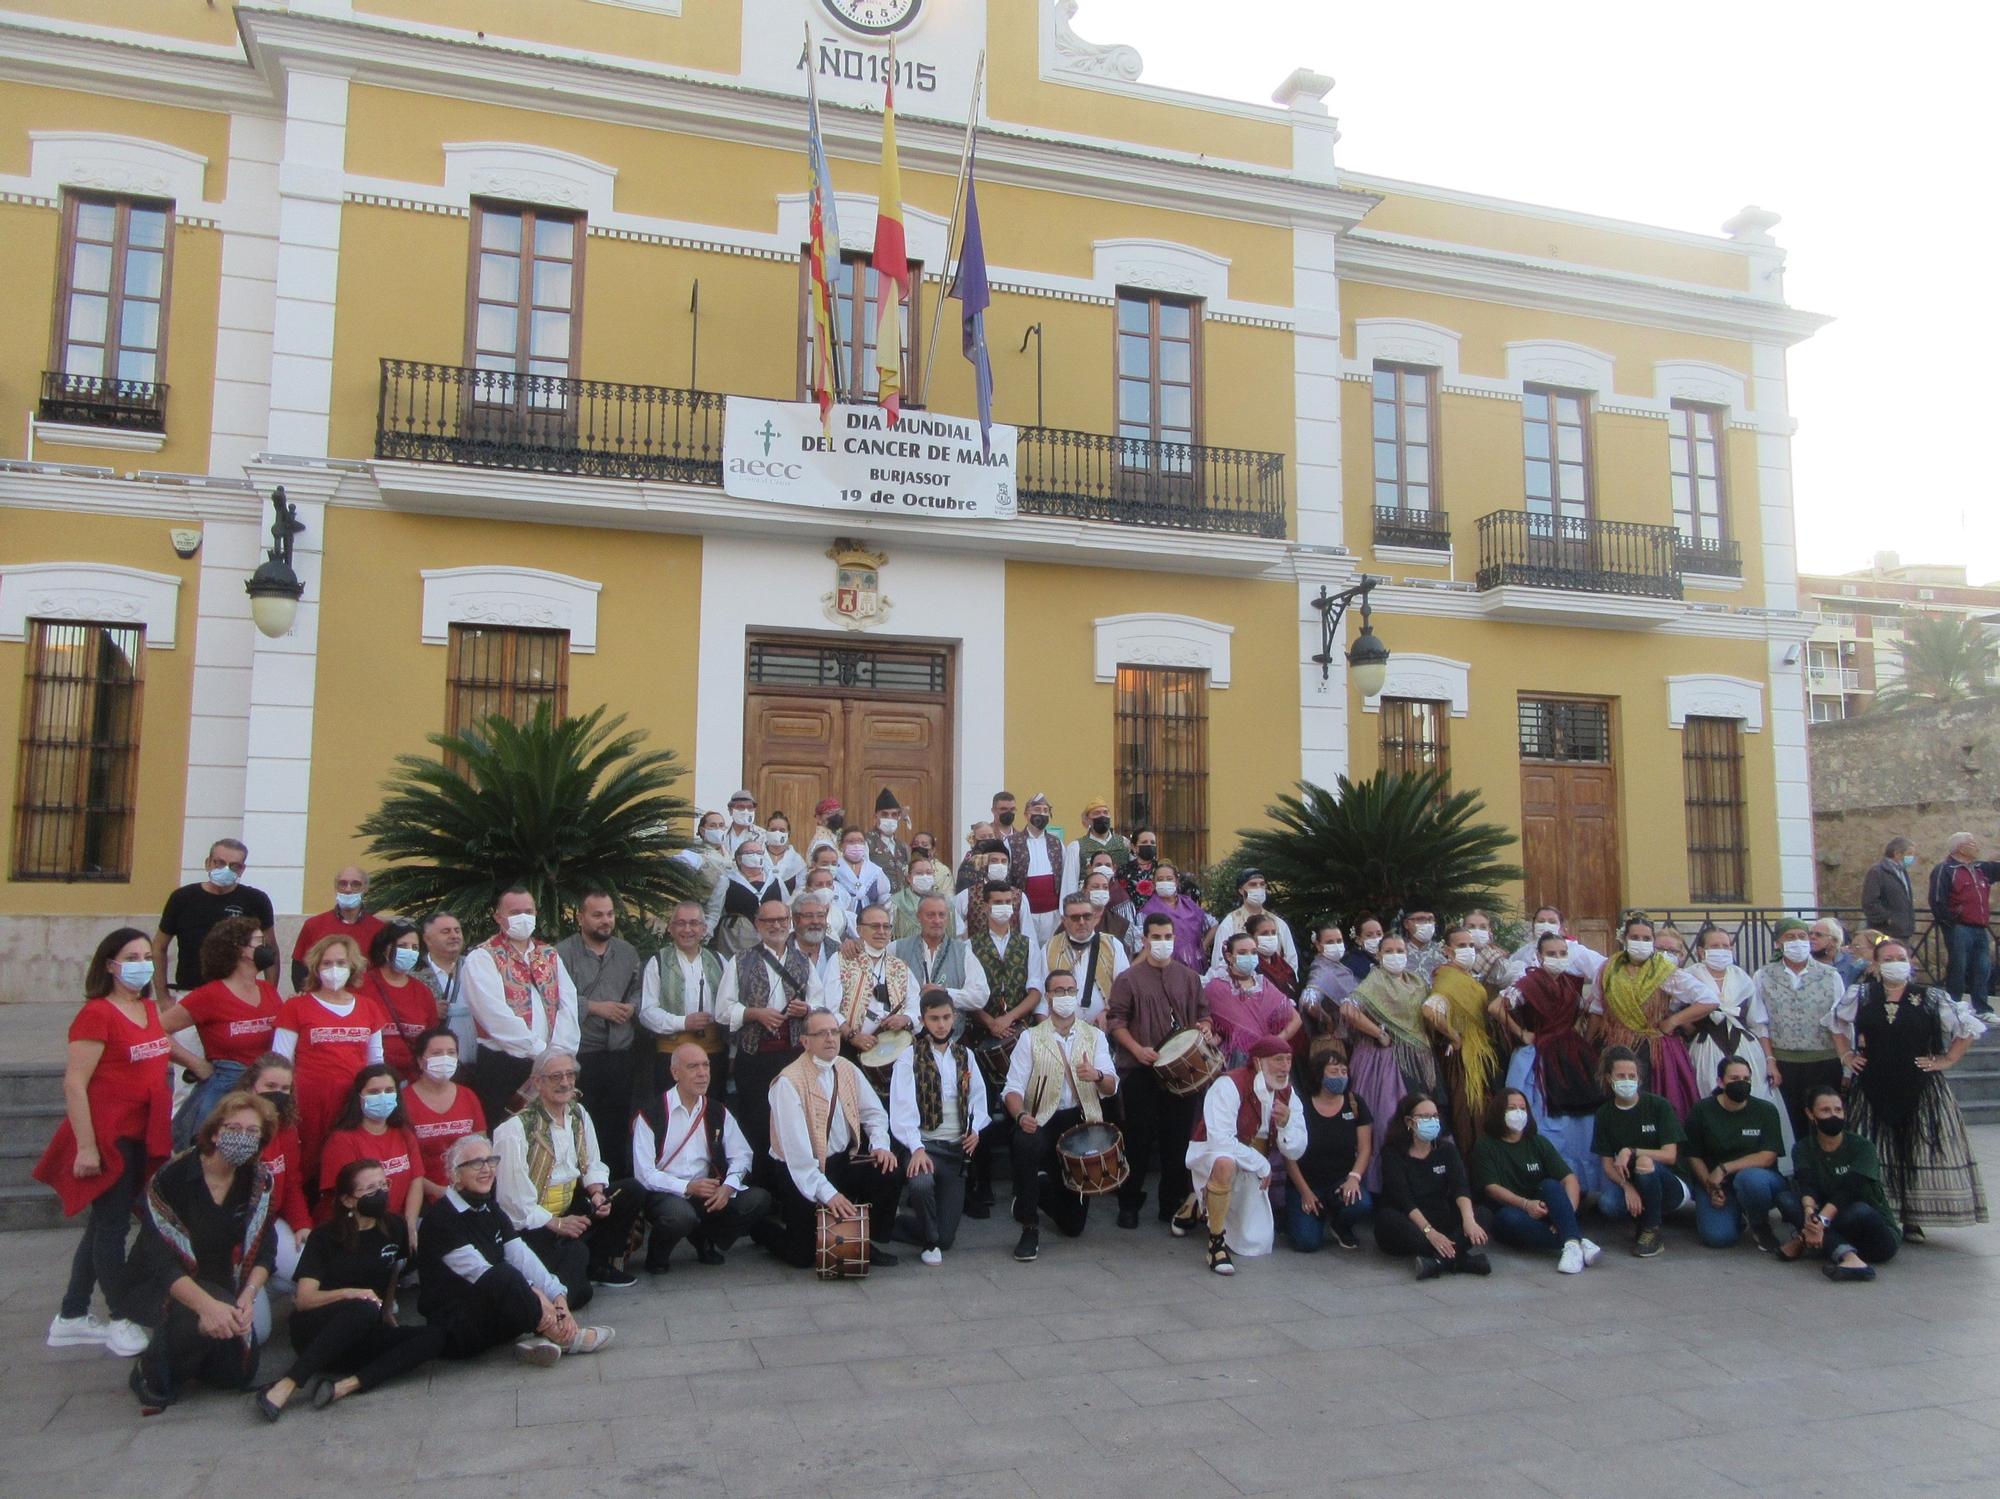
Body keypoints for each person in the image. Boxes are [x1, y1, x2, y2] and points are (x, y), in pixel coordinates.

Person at [37, 929, 184, 1355]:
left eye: (146, 955)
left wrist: (195, 1063)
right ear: (109, 965)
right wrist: (86, 1147)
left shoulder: (145, 1009)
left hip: (144, 1132)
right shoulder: (97, 1014)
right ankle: (122, 1315)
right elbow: (74, 1084)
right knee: (113, 1227)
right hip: (109, 1136)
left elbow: (159, 1048)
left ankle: (71, 1314)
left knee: (104, 1224)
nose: (142, 963)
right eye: (131, 956)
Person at [124, 1093, 279, 1414]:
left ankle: (198, 1350)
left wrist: (248, 1297)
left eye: (252, 1132)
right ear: (214, 1132)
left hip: (225, 1282)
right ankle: (150, 1372)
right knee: (208, 1318)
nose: (242, 1137)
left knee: (238, 1375)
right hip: (165, 1283)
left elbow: (265, 1250)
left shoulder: (258, 1181)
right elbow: (158, 1258)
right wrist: (207, 1307)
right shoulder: (174, 1177)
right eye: (233, 1127)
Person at [254, 1158, 445, 1419]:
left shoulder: (395, 1227)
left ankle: (345, 1386)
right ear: (347, 1200)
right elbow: (304, 1300)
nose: (380, 1194)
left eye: (383, 1184)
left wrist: (387, 1310)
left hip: (361, 1333)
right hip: (317, 1331)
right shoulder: (325, 1237)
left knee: (434, 1336)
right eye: (370, 1190)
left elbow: (393, 1272)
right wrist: (351, 1293)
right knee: (364, 1308)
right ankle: (287, 1383)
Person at [1829, 938, 1989, 1235]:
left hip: (1920, 1084)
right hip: (1873, 1083)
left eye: (1900, 957)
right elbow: (1836, 1024)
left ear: (1910, 962)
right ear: (1876, 965)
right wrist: (1846, 1055)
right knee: (1877, 1149)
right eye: (1888, 958)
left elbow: (1968, 1027)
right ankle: (1883, 1212)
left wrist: (1948, 1059)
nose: (1895, 962)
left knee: (1917, 1148)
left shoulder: (1930, 997)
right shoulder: (1862, 995)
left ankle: (1913, 1216)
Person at [417, 1135, 610, 1365]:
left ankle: (541, 1334)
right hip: (459, 1325)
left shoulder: (489, 1206)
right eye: (476, 1164)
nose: (486, 1170)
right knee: (503, 1274)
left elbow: (521, 1255)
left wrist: (558, 1299)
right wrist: (539, 1297)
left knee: (575, 1257)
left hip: (498, 1315)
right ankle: (563, 1336)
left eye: (491, 1161)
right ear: (456, 1175)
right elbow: (480, 1273)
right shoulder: (441, 1219)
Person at [493, 1049, 643, 1302]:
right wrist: (557, 1223)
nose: (565, 1083)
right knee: (577, 1292)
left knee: (630, 1191)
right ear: (537, 1082)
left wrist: (596, 1193)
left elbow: (592, 1162)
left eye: (569, 1075)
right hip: (534, 1223)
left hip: (570, 1207)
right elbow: (512, 1201)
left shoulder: (578, 1114)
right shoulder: (515, 1129)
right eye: (555, 1077)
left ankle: (598, 1264)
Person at [766, 1010, 904, 1268]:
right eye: (821, 1033)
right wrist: (830, 1195)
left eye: (833, 1032)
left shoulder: (846, 1067)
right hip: (798, 1171)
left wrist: (881, 1146)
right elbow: (798, 1157)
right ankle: (762, 1230)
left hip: (840, 1161)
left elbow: (874, 1113)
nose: (830, 1038)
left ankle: (863, 1240)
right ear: (805, 1041)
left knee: (889, 1169)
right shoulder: (787, 1082)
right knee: (804, 1257)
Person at [1003, 970, 1119, 1262]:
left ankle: (1038, 1192)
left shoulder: (1094, 1036)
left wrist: (1096, 1075)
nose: (1065, 996)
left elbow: (1111, 1085)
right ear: (1048, 997)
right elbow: (1012, 1089)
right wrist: (1020, 1116)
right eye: (1058, 991)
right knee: (1025, 1143)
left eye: (1070, 990)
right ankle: (1029, 1227)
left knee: (1073, 1227)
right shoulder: (1030, 1038)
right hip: (1041, 1118)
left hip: (1080, 1120)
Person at [1106, 911, 1212, 1232]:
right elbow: (1116, 1022)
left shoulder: (1189, 977)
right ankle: (1129, 1203)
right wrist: (1137, 1049)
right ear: (1145, 940)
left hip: (1181, 1071)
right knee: (1137, 1138)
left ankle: (1172, 1203)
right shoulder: (1128, 979)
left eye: (1168, 937)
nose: (1163, 943)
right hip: (1141, 1069)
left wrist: (1205, 1028)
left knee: (1177, 1138)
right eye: (1157, 937)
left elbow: (1204, 1014)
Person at [632, 1043, 773, 1271]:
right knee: (679, 1216)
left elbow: (743, 1155)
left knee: (758, 1199)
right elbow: (644, 1174)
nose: (702, 1073)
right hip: (665, 1193)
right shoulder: (650, 1114)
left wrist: (727, 1187)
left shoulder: (717, 1110)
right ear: (675, 1073)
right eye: (693, 1067)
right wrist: (687, 1187)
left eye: (706, 1065)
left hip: (707, 1191)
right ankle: (657, 1253)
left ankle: (705, 1237)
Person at [158, 915, 282, 1149]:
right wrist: (195, 1063)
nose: (266, 947)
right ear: (240, 949)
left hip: (264, 1085)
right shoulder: (209, 995)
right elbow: (155, 1032)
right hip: (227, 1085)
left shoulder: (268, 991)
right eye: (258, 941)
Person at [1185, 1036, 1307, 1274]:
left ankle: (1199, 1205)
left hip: (1252, 1164)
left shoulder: (1288, 1094)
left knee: (1257, 1243)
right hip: (1212, 1153)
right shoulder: (1229, 1084)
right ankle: (1216, 1245)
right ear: (1259, 1062)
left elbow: (1297, 1148)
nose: (1285, 1067)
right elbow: (1220, 1140)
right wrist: (1261, 1164)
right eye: (1278, 1060)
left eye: (1289, 1060)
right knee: (1225, 1162)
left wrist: (1286, 1123)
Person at [1494, 931, 1604, 1196]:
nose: (1557, 958)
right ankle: (1544, 1183)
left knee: (1579, 1123)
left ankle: (1580, 1186)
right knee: (1542, 1119)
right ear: (1539, 956)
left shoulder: (1569, 983)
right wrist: (1522, 1034)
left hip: (1571, 1054)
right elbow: (1496, 1007)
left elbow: (1582, 1012)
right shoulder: (1528, 983)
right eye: (1551, 954)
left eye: (1562, 953)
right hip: (1539, 1057)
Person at [461, 888, 581, 1127]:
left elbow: (568, 1004)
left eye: (528, 911)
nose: (523, 917)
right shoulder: (483, 957)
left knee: (552, 1131)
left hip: (552, 1063)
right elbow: (494, 1015)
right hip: (506, 1063)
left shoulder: (548, 955)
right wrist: (539, 1051)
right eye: (515, 912)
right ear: (498, 917)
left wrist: (560, 1051)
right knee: (509, 1132)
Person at [274, 934, 388, 1182]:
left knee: (349, 1163)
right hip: (309, 1104)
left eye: (341, 963)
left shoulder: (369, 1008)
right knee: (308, 1165)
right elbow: (280, 1060)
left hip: (352, 1105)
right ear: (315, 967)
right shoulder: (295, 1007)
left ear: (353, 967)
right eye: (326, 963)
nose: (334, 970)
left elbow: (376, 1063)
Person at [889, 989, 990, 1264]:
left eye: (946, 1017)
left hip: (956, 1150)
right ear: (923, 1020)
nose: (941, 1024)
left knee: (948, 1238)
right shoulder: (908, 1057)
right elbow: (902, 1111)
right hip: (925, 1145)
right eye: (934, 1018)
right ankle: (929, 1241)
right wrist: (917, 1148)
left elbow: (978, 1101)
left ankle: (890, 1224)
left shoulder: (965, 1055)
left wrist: (976, 1130)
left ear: (955, 1017)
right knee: (921, 1184)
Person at [1337, 933, 1444, 1187]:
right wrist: (1379, 1033)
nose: (1396, 956)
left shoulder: (1416, 981)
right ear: (1379, 955)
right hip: (1385, 1063)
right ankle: (1384, 1183)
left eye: (1400, 951)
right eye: (1390, 951)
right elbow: (1348, 1009)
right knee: (1387, 1119)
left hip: (1419, 1058)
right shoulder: (1376, 981)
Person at [718, 897, 820, 1162]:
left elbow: (821, 1004)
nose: (776, 925)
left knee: (796, 1121)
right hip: (754, 1058)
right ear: (757, 924)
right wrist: (754, 1014)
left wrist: (806, 1009)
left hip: (795, 1057)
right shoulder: (739, 961)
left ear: (790, 923)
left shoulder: (803, 961)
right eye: (769, 920)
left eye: (781, 920)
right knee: (758, 1122)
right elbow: (722, 1011)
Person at [555, 890, 643, 1178]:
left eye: (609, 914)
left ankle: (617, 1194)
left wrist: (631, 1007)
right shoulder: (561, 954)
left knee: (618, 1127)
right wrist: (594, 1007)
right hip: (582, 1056)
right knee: (581, 1126)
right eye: (597, 915)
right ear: (580, 917)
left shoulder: (627, 952)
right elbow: (554, 998)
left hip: (620, 1054)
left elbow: (640, 990)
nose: (605, 921)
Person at [1581, 915, 1701, 1120]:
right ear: (1624, 939)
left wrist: (1673, 1021)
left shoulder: (1665, 971)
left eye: (1646, 938)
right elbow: (1598, 1009)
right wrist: (1587, 1044)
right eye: (1635, 937)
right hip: (1613, 1043)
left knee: (1647, 1099)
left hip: (1651, 1046)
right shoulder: (1608, 968)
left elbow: (1708, 999)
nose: (1641, 942)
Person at [1778, 1085, 1901, 1281]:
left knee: (1858, 1210)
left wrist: (1819, 1222)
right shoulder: (1803, 1148)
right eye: (1825, 1111)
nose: (1833, 1116)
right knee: (1786, 1200)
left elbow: (1849, 1190)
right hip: (1831, 1225)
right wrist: (1810, 1216)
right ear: (1810, 1114)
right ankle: (1850, 1258)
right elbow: (1806, 1183)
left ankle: (1804, 1239)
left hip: (1869, 1229)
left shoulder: (1862, 1147)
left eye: (1838, 1110)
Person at [1472, 1088, 1598, 1273]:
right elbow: (1491, 1188)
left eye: (1522, 1108)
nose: (1518, 1113)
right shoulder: (1486, 1145)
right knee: (1508, 1219)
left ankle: (1571, 1241)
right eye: (1512, 1108)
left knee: (1550, 1185)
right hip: (1514, 1210)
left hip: (1546, 1209)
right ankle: (1575, 1239)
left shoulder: (1538, 1142)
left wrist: (1567, 1214)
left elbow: (1569, 1179)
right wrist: (1525, 1204)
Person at [1374, 1091, 1491, 1279]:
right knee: (1387, 1219)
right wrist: (1429, 1232)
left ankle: (1437, 1262)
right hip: (1410, 1221)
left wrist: (1469, 1220)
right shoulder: (1392, 1154)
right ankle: (1461, 1260)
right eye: (1425, 1116)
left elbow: (1460, 1187)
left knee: (1483, 1214)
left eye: (1435, 1116)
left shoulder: (1446, 1150)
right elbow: (1404, 1200)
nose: (1432, 1120)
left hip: (1440, 1216)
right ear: (1409, 1122)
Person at [1685, 1055, 1794, 1251]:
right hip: (1717, 1183)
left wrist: (1725, 1168)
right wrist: (1710, 1186)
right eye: (1734, 1079)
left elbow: (1768, 1156)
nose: (1741, 1083)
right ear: (1720, 1081)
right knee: (1718, 1238)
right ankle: (1736, 1214)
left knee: (1750, 1179)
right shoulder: (1702, 1110)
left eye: (1746, 1079)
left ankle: (1760, 1224)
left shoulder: (1765, 1111)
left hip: (1757, 1181)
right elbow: (1693, 1154)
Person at [1591, 1047, 1690, 1257]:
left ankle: (1651, 1228)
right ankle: (1642, 1216)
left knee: (1644, 1161)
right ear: (1609, 1078)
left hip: (1670, 1182)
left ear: (1639, 1078)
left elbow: (1670, 1154)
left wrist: (1632, 1151)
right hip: (1632, 1181)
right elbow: (1607, 1164)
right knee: (1608, 1204)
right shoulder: (1604, 1114)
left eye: (1631, 1076)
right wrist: (1627, 1187)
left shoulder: (1658, 1106)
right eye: (1620, 1076)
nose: (1627, 1080)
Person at [1756, 918, 1849, 1139]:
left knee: (1826, 1120)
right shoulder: (1763, 976)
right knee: (1791, 1122)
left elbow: (1841, 1024)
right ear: (1778, 943)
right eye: (1790, 937)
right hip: (1785, 1064)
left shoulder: (1830, 975)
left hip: (1824, 1061)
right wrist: (1770, 1061)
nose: (1797, 941)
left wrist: (1846, 1065)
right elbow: (1761, 1023)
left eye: (1802, 936)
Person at [153, 838, 275, 995]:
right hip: (190, 992)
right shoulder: (182, 898)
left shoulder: (256, 900)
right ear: (208, 863)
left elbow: (270, 949)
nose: (226, 869)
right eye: (220, 863)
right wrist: (163, 997)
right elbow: (159, 947)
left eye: (234, 866)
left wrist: (270, 995)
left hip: (239, 994)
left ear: (242, 870)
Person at [317, 1065, 426, 1241]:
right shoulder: (342, 1140)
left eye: (389, 1090)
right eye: (374, 1092)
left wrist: (409, 1225)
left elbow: (416, 1180)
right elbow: (340, 1197)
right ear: (359, 1097)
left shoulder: (405, 1133)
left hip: (395, 1226)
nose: (382, 1096)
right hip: (353, 1231)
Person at [1284, 1040, 1374, 1251]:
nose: (1341, 1076)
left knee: (1362, 1203)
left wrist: (1354, 1178)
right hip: (1306, 1183)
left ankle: (1340, 1225)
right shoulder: (1301, 1104)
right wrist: (1305, 1192)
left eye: (1344, 1071)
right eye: (1334, 1071)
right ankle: (1301, 1217)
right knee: (1306, 1243)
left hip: (1340, 1181)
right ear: (1319, 1074)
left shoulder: (1355, 1103)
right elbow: (1289, 1154)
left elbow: (1365, 1148)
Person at [638, 900, 729, 1100]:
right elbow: (646, 1012)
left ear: (704, 929)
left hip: (712, 1054)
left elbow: (730, 1004)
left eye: (694, 923)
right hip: (671, 1056)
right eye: (680, 923)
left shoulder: (720, 961)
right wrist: (683, 1022)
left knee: (712, 1114)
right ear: (670, 928)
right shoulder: (658, 962)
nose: (687, 929)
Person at [1428, 925, 1504, 1151]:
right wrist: (1454, 1036)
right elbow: (1429, 1010)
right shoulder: (1446, 978)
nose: (1468, 950)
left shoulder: (1466, 976)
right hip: (1463, 1059)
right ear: (1447, 950)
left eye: (1471, 945)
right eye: (1461, 946)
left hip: (1481, 1054)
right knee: (1468, 1114)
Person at [244, 1054, 313, 1293]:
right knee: (258, 1331)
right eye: (270, 1086)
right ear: (251, 1088)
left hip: (271, 1223)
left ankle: (270, 1283)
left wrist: (301, 1223)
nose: (278, 1093)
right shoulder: (234, 1129)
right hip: (239, 1233)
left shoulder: (286, 1129)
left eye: (285, 1088)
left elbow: (292, 1182)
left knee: (308, 1270)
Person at [402, 1027, 487, 1193]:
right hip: (423, 1196)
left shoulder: (468, 1096)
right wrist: (438, 1192)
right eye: (436, 1053)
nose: (445, 1058)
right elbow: (404, 1162)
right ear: (420, 1060)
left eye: (451, 1052)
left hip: (467, 1192)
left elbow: (481, 1150)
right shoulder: (404, 1101)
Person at [1204, 931, 1299, 1068]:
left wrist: (1274, 1043)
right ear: (1229, 957)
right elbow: (1210, 1023)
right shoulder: (1216, 988)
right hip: (1234, 1062)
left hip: (1267, 1060)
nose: (1249, 957)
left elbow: (1295, 1019)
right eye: (1243, 953)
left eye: (1253, 952)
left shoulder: (1264, 985)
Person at [1929, 832, 2000, 1013]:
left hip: (1979, 927)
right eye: (1972, 843)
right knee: (1958, 968)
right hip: (1959, 927)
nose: (1977, 846)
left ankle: (1982, 1009)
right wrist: (1950, 922)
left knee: (1982, 969)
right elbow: (1937, 899)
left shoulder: (1980, 868)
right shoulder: (1945, 869)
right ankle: (1953, 1007)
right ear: (1961, 848)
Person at [359, 920, 438, 1080]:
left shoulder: (423, 992)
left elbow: (432, 1038)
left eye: (414, 948)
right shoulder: (361, 985)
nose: (409, 952)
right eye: (402, 946)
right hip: (373, 1078)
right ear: (385, 948)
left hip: (413, 1079)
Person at [290, 867, 385, 994]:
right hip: (322, 1001)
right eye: (343, 883)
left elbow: (383, 970)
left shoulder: (378, 928)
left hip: (363, 1002)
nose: (348, 889)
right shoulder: (314, 925)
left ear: (365, 888)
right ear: (336, 887)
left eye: (355, 884)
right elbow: (299, 967)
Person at [1042, 889, 1129, 1025]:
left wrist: (1107, 1012)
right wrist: (1046, 1029)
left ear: (1094, 918)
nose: (1081, 922)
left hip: (1104, 1028)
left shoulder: (1112, 945)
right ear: (1064, 921)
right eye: (1075, 918)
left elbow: (1124, 988)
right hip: (1059, 1028)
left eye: (1087, 916)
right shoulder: (1050, 947)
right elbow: (1042, 994)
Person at [836, 905, 919, 1043]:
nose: (881, 931)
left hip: (893, 1047)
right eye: (875, 926)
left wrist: (905, 1018)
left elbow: (915, 1004)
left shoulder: (900, 966)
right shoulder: (841, 960)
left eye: (886, 927)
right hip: (848, 1046)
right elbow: (830, 1008)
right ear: (859, 930)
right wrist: (853, 1036)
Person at [892, 892, 975, 1020]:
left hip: (950, 1034)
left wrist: (946, 993)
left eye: (941, 915)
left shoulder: (962, 952)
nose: (937, 921)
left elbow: (980, 995)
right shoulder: (896, 948)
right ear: (918, 916)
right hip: (907, 1031)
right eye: (930, 915)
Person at [1208, 869, 1300, 977]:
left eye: (1262, 884)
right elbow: (1219, 963)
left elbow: (1291, 960)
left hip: (1277, 988)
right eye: (1253, 885)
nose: (1258, 889)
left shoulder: (1278, 924)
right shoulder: (1230, 923)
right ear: (1241, 890)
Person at [1139, 862, 1214, 973]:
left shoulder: (1189, 904)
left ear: (1176, 882)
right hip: (1162, 967)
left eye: (1169, 878)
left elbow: (1214, 925)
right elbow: (1143, 945)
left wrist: (1202, 947)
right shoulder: (1147, 911)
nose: (1165, 882)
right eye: (1160, 879)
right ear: (1154, 884)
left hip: (1194, 967)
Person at [1296, 922, 1358, 1052]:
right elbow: (1309, 1001)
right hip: (1341, 1040)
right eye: (1330, 942)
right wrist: (1328, 1020)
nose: (1336, 945)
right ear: (1318, 946)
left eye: (1339, 941)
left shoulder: (1337, 966)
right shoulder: (1321, 969)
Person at [416, 911, 471, 1057]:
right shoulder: (414, 974)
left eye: (457, 930)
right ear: (427, 939)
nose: (454, 936)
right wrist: (430, 1011)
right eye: (446, 932)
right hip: (439, 1061)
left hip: (479, 1058)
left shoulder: (476, 967)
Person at [716, 838, 784, 955]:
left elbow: (786, 907)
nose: (755, 856)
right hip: (737, 940)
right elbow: (715, 910)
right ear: (739, 858)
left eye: (759, 853)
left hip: (770, 937)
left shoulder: (774, 880)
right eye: (749, 853)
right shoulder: (727, 881)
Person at [1509, 906, 1606, 985]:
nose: (1545, 925)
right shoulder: (1524, 952)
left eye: (1552, 922)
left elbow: (1604, 971)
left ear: (1561, 927)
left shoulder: (1574, 950)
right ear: (1533, 925)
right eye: (1541, 921)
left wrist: (1595, 996)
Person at [1861, 836, 1920, 943]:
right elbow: (1870, 901)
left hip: (1902, 931)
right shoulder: (1877, 872)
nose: (1912, 857)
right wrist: (1889, 919)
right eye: (1910, 854)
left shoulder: (1902, 872)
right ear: (1897, 854)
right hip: (1885, 932)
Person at [1066, 798, 1132, 892]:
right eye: (1096, 813)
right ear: (1088, 820)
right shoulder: (1076, 847)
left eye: (1105, 812)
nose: (1102, 816)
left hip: (1119, 899)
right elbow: (1070, 883)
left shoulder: (1124, 843)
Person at [833, 825, 893, 917]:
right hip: (842, 922)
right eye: (850, 841)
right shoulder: (835, 869)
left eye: (860, 841)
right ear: (841, 845)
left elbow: (884, 899)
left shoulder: (875, 871)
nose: (856, 845)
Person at [689, 809, 734, 931]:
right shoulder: (693, 853)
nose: (718, 829)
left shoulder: (729, 854)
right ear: (703, 831)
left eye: (721, 825)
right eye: (712, 826)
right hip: (702, 914)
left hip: (726, 918)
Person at [865, 788, 912, 894]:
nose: (890, 818)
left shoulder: (903, 846)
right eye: (885, 814)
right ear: (875, 817)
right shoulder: (866, 842)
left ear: (898, 817)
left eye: (894, 815)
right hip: (877, 903)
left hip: (900, 904)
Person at [1810, 918, 1863, 988]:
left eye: (1819, 935)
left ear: (1835, 941)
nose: (1812, 937)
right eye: (1810, 934)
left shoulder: (1851, 961)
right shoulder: (1803, 961)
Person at [763, 810, 808, 889]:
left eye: (782, 830)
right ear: (767, 831)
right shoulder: (757, 856)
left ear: (788, 833)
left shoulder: (797, 861)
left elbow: (801, 888)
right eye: (773, 830)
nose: (777, 833)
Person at [1399, 909, 1448, 981]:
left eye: (1430, 919)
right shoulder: (1398, 951)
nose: (1427, 924)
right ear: (1406, 924)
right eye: (1420, 919)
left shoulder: (1444, 952)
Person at [724, 788, 766, 857]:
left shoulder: (762, 834)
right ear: (730, 810)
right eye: (741, 807)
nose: (746, 811)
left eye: (750, 807)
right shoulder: (723, 832)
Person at [1345, 915, 1386, 983]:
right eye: (1369, 935)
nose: (1375, 938)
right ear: (1358, 940)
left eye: (1379, 934)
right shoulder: (1352, 963)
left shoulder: (1390, 957)